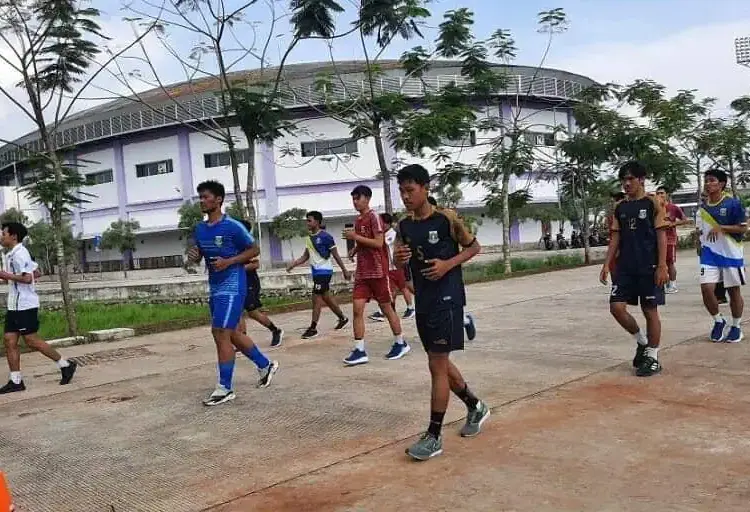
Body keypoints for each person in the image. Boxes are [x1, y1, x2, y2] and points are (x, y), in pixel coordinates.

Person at [394, 164, 489, 461]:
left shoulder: (446, 218)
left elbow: (474, 248)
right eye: (402, 191)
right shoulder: (404, 225)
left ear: (426, 188)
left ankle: (434, 435)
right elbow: (400, 262)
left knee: (436, 364)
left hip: (448, 299)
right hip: (423, 299)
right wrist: (398, 259)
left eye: (410, 190)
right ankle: (475, 406)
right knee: (439, 360)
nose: (406, 197)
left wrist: (448, 264)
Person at [187, 180, 279, 406]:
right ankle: (265, 365)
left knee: (220, 332)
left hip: (233, 285)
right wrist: (194, 256)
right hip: (215, 286)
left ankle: (225, 388)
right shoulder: (200, 229)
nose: (202, 201)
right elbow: (200, 256)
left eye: (205, 197)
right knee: (231, 333)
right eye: (200, 197)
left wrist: (230, 261)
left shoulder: (232, 226)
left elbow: (254, 249)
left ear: (218, 200)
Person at [600, 161, 669, 377]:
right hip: (625, 267)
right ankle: (642, 342)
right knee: (616, 308)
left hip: (649, 266)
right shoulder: (620, 207)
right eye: (623, 180)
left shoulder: (653, 203)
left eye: (630, 179)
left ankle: (653, 357)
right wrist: (606, 264)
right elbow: (616, 237)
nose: (626, 183)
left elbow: (661, 235)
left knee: (650, 311)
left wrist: (662, 265)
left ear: (641, 179)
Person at [0, 222, 77, 394]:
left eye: (3, 233)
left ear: (13, 236)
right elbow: (32, 274)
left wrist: (6, 275)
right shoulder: (11, 255)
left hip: (25, 305)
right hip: (14, 305)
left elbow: (27, 279)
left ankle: (66, 364)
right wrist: (6, 277)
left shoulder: (21, 254)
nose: (1, 236)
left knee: (31, 340)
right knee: (9, 341)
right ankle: (16, 381)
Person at [342, 184, 409, 365]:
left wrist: (355, 238)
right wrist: (355, 249)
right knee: (357, 309)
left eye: (358, 198)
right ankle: (359, 349)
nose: (355, 202)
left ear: (367, 199)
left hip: (379, 272)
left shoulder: (374, 218)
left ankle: (400, 342)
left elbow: (378, 243)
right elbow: (364, 241)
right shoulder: (358, 221)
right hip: (362, 273)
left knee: (387, 309)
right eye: (353, 199)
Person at [696, 168, 747, 343]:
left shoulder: (732, 204)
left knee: (733, 292)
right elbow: (700, 231)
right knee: (706, 289)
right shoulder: (702, 208)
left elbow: (743, 228)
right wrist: (699, 247)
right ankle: (718, 320)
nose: (708, 184)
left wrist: (722, 228)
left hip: (731, 254)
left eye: (712, 180)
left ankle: (736, 326)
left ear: (722, 184)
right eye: (706, 180)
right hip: (709, 255)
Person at [287, 210, 351, 339]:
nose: (307, 223)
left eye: (309, 220)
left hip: (324, 271)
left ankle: (313, 328)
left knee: (316, 298)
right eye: (307, 220)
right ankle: (342, 318)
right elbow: (305, 256)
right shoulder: (309, 238)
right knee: (326, 297)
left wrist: (344, 270)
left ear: (317, 221)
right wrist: (294, 264)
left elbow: (336, 255)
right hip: (316, 272)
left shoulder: (326, 237)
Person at [424, 195, 477, 341]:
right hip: (427, 277)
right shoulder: (413, 226)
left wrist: (447, 264)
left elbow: (473, 247)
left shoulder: (447, 221)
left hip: (448, 276)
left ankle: (465, 321)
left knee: (447, 314)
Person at [235, 220, 284, 347]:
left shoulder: (247, 245)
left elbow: (255, 264)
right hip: (236, 282)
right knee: (237, 312)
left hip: (249, 281)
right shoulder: (234, 245)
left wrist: (237, 270)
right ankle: (243, 341)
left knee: (252, 312)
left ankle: (275, 330)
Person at [369, 212, 416, 322]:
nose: (380, 225)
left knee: (403, 287)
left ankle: (410, 308)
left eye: (382, 223)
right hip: (388, 267)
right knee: (391, 288)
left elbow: (384, 244)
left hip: (396, 266)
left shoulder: (393, 234)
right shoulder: (384, 235)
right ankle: (386, 310)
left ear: (387, 224)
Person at [655, 186, 688, 293]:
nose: (660, 195)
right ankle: (662, 284)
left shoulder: (673, 208)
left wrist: (672, 223)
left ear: (667, 195)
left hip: (670, 240)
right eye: (658, 193)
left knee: (670, 263)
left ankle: (672, 285)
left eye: (662, 193)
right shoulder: (654, 208)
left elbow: (684, 220)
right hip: (657, 240)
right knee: (659, 263)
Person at [607, 192, 626, 276]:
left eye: (615, 201)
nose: (613, 204)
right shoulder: (612, 216)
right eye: (612, 202)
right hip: (613, 246)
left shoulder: (626, 215)